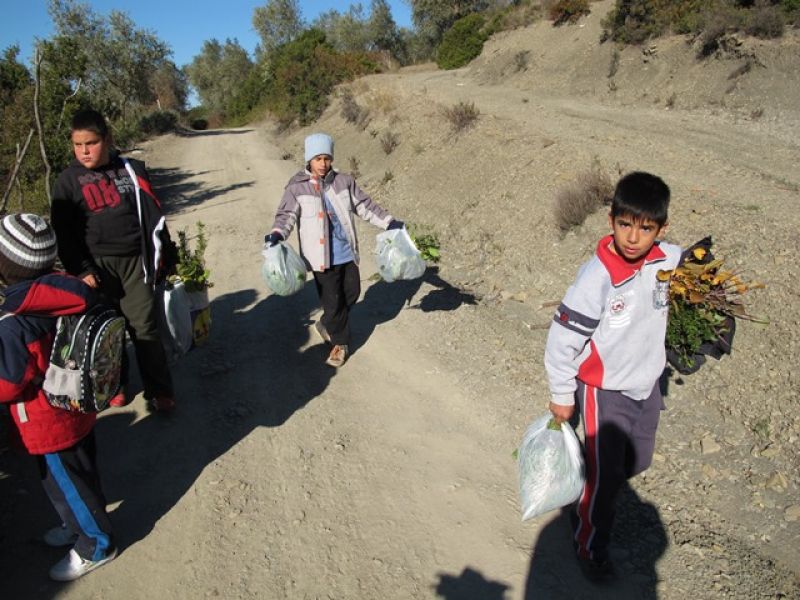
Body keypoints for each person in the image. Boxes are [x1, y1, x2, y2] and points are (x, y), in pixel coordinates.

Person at [543, 172, 682, 582]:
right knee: (605, 481)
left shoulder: (665, 260)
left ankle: (583, 488)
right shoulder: (598, 276)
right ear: (611, 221)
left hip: (647, 385)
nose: (634, 238)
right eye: (625, 225)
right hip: (603, 391)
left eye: (646, 228)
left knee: (636, 461)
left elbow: (692, 263)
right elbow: (562, 338)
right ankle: (589, 546)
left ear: (661, 230)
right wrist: (562, 393)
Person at [0, 213, 116, 581]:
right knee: (82, 474)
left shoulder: (15, 320)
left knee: (66, 481)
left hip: (46, 422)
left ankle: (95, 545)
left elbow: (9, 384)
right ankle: (76, 522)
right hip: (77, 405)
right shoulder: (68, 290)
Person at [50, 109, 177, 412]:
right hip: (98, 268)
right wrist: (81, 270)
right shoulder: (67, 182)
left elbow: (153, 215)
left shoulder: (130, 170)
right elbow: (64, 234)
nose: (84, 151)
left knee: (144, 327)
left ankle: (160, 390)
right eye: (78, 145)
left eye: (91, 143)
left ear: (107, 139)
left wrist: (166, 254)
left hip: (135, 262)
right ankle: (115, 385)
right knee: (109, 331)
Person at [265, 133, 405, 368]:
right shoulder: (296, 187)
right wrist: (277, 234)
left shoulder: (344, 182)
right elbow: (286, 216)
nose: (323, 163)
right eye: (318, 158)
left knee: (352, 292)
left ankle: (327, 323)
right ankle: (340, 344)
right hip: (319, 259)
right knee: (333, 301)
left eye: (327, 158)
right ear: (309, 160)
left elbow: (364, 206)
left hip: (345, 252)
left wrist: (389, 222)